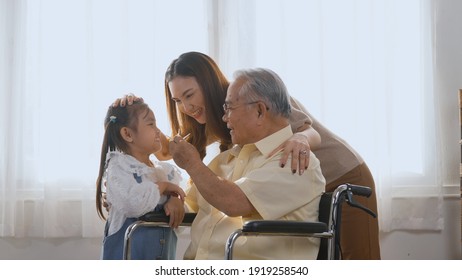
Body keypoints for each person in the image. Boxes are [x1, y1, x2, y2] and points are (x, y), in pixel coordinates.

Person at [116, 51, 380, 259]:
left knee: (357, 260)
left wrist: (299, 139)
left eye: (189, 95)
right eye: (177, 101)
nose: (185, 107)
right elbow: (165, 149)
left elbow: (307, 131)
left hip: (340, 172)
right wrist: (131, 111)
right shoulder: (211, 121)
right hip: (281, 183)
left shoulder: (253, 94)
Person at [169, 68, 326, 259]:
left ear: (260, 111)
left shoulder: (296, 160)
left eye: (229, 109)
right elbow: (189, 204)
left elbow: (233, 203)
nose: (224, 117)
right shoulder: (226, 160)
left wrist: (191, 164)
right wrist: (170, 198)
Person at [95, 100, 186, 260]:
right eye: (151, 124)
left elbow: (180, 222)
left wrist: (175, 200)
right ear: (128, 134)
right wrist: (164, 187)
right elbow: (134, 203)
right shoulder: (119, 167)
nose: (158, 131)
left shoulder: (164, 172)